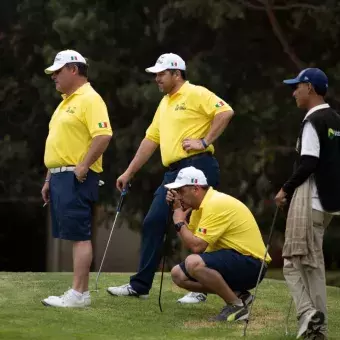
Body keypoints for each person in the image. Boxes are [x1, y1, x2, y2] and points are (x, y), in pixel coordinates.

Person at [107, 53, 234, 303]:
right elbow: (150, 140)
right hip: (174, 173)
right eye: (156, 74)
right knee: (154, 221)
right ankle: (140, 286)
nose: (157, 78)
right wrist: (128, 172)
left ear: (177, 73)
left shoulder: (196, 93)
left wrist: (204, 141)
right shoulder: (164, 103)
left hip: (199, 167)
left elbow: (225, 112)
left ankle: (199, 288)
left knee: (197, 225)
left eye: (161, 74)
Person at [41, 49, 113, 307]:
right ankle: (77, 292)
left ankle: (79, 294)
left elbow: (103, 135)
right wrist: (49, 179)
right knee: (73, 234)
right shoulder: (65, 102)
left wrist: (83, 166)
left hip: (76, 176)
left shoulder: (90, 99)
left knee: (80, 234)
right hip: (60, 177)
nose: (54, 77)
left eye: (57, 72)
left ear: (73, 69)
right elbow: (59, 145)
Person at [275, 68, 340, 339]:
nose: (294, 92)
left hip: (311, 200)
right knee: (309, 264)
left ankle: (311, 316)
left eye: (297, 87)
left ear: (310, 88)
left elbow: (309, 161)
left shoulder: (313, 121)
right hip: (330, 203)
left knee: (295, 262)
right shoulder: (336, 119)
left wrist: (285, 189)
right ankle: (316, 326)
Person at [163, 166, 271, 321]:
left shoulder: (214, 204)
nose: (177, 196)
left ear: (196, 189)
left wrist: (179, 221)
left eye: (180, 191)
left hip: (253, 264)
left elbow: (197, 247)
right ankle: (239, 295)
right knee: (178, 274)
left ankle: (236, 306)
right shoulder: (199, 208)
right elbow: (190, 242)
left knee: (193, 263)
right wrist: (179, 216)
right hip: (238, 260)